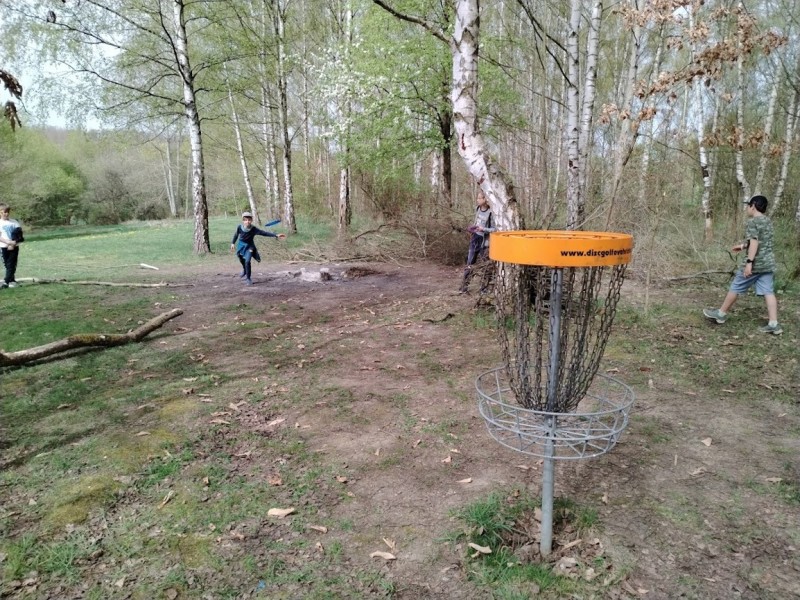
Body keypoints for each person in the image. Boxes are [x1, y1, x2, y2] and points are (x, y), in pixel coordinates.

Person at [703, 195, 782, 334]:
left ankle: (720, 314)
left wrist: (749, 263)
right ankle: (774, 324)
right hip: (768, 263)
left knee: (736, 286)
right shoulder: (768, 221)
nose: (747, 208)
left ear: (753, 206)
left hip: (756, 263)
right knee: (768, 292)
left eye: (748, 205)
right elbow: (762, 241)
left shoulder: (753, 222)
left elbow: (755, 242)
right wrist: (742, 246)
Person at [230, 211, 286, 285]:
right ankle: (244, 269)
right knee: (241, 258)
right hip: (241, 245)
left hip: (250, 246)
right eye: (245, 220)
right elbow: (236, 235)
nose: (247, 221)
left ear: (251, 220)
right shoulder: (239, 227)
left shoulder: (254, 229)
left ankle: (248, 278)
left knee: (247, 261)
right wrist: (233, 243)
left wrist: (276, 235)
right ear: (243, 220)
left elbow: (264, 233)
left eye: (249, 220)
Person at [460, 189, 495, 293]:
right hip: (475, 239)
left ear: (485, 199)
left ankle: (484, 288)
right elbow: (476, 222)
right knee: (470, 262)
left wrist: (483, 229)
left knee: (486, 265)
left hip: (485, 242)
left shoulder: (491, 213)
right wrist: (473, 228)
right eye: (477, 198)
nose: (478, 200)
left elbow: (494, 229)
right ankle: (464, 286)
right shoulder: (477, 209)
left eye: (480, 198)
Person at [0, 203, 24, 289]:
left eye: (8, 212)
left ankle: (6, 282)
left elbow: (19, 236)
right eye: (4, 212)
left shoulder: (14, 222)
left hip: (14, 247)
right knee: (7, 265)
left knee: (12, 264)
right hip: (3, 246)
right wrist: (8, 242)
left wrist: (14, 243)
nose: (6, 214)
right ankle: (11, 280)